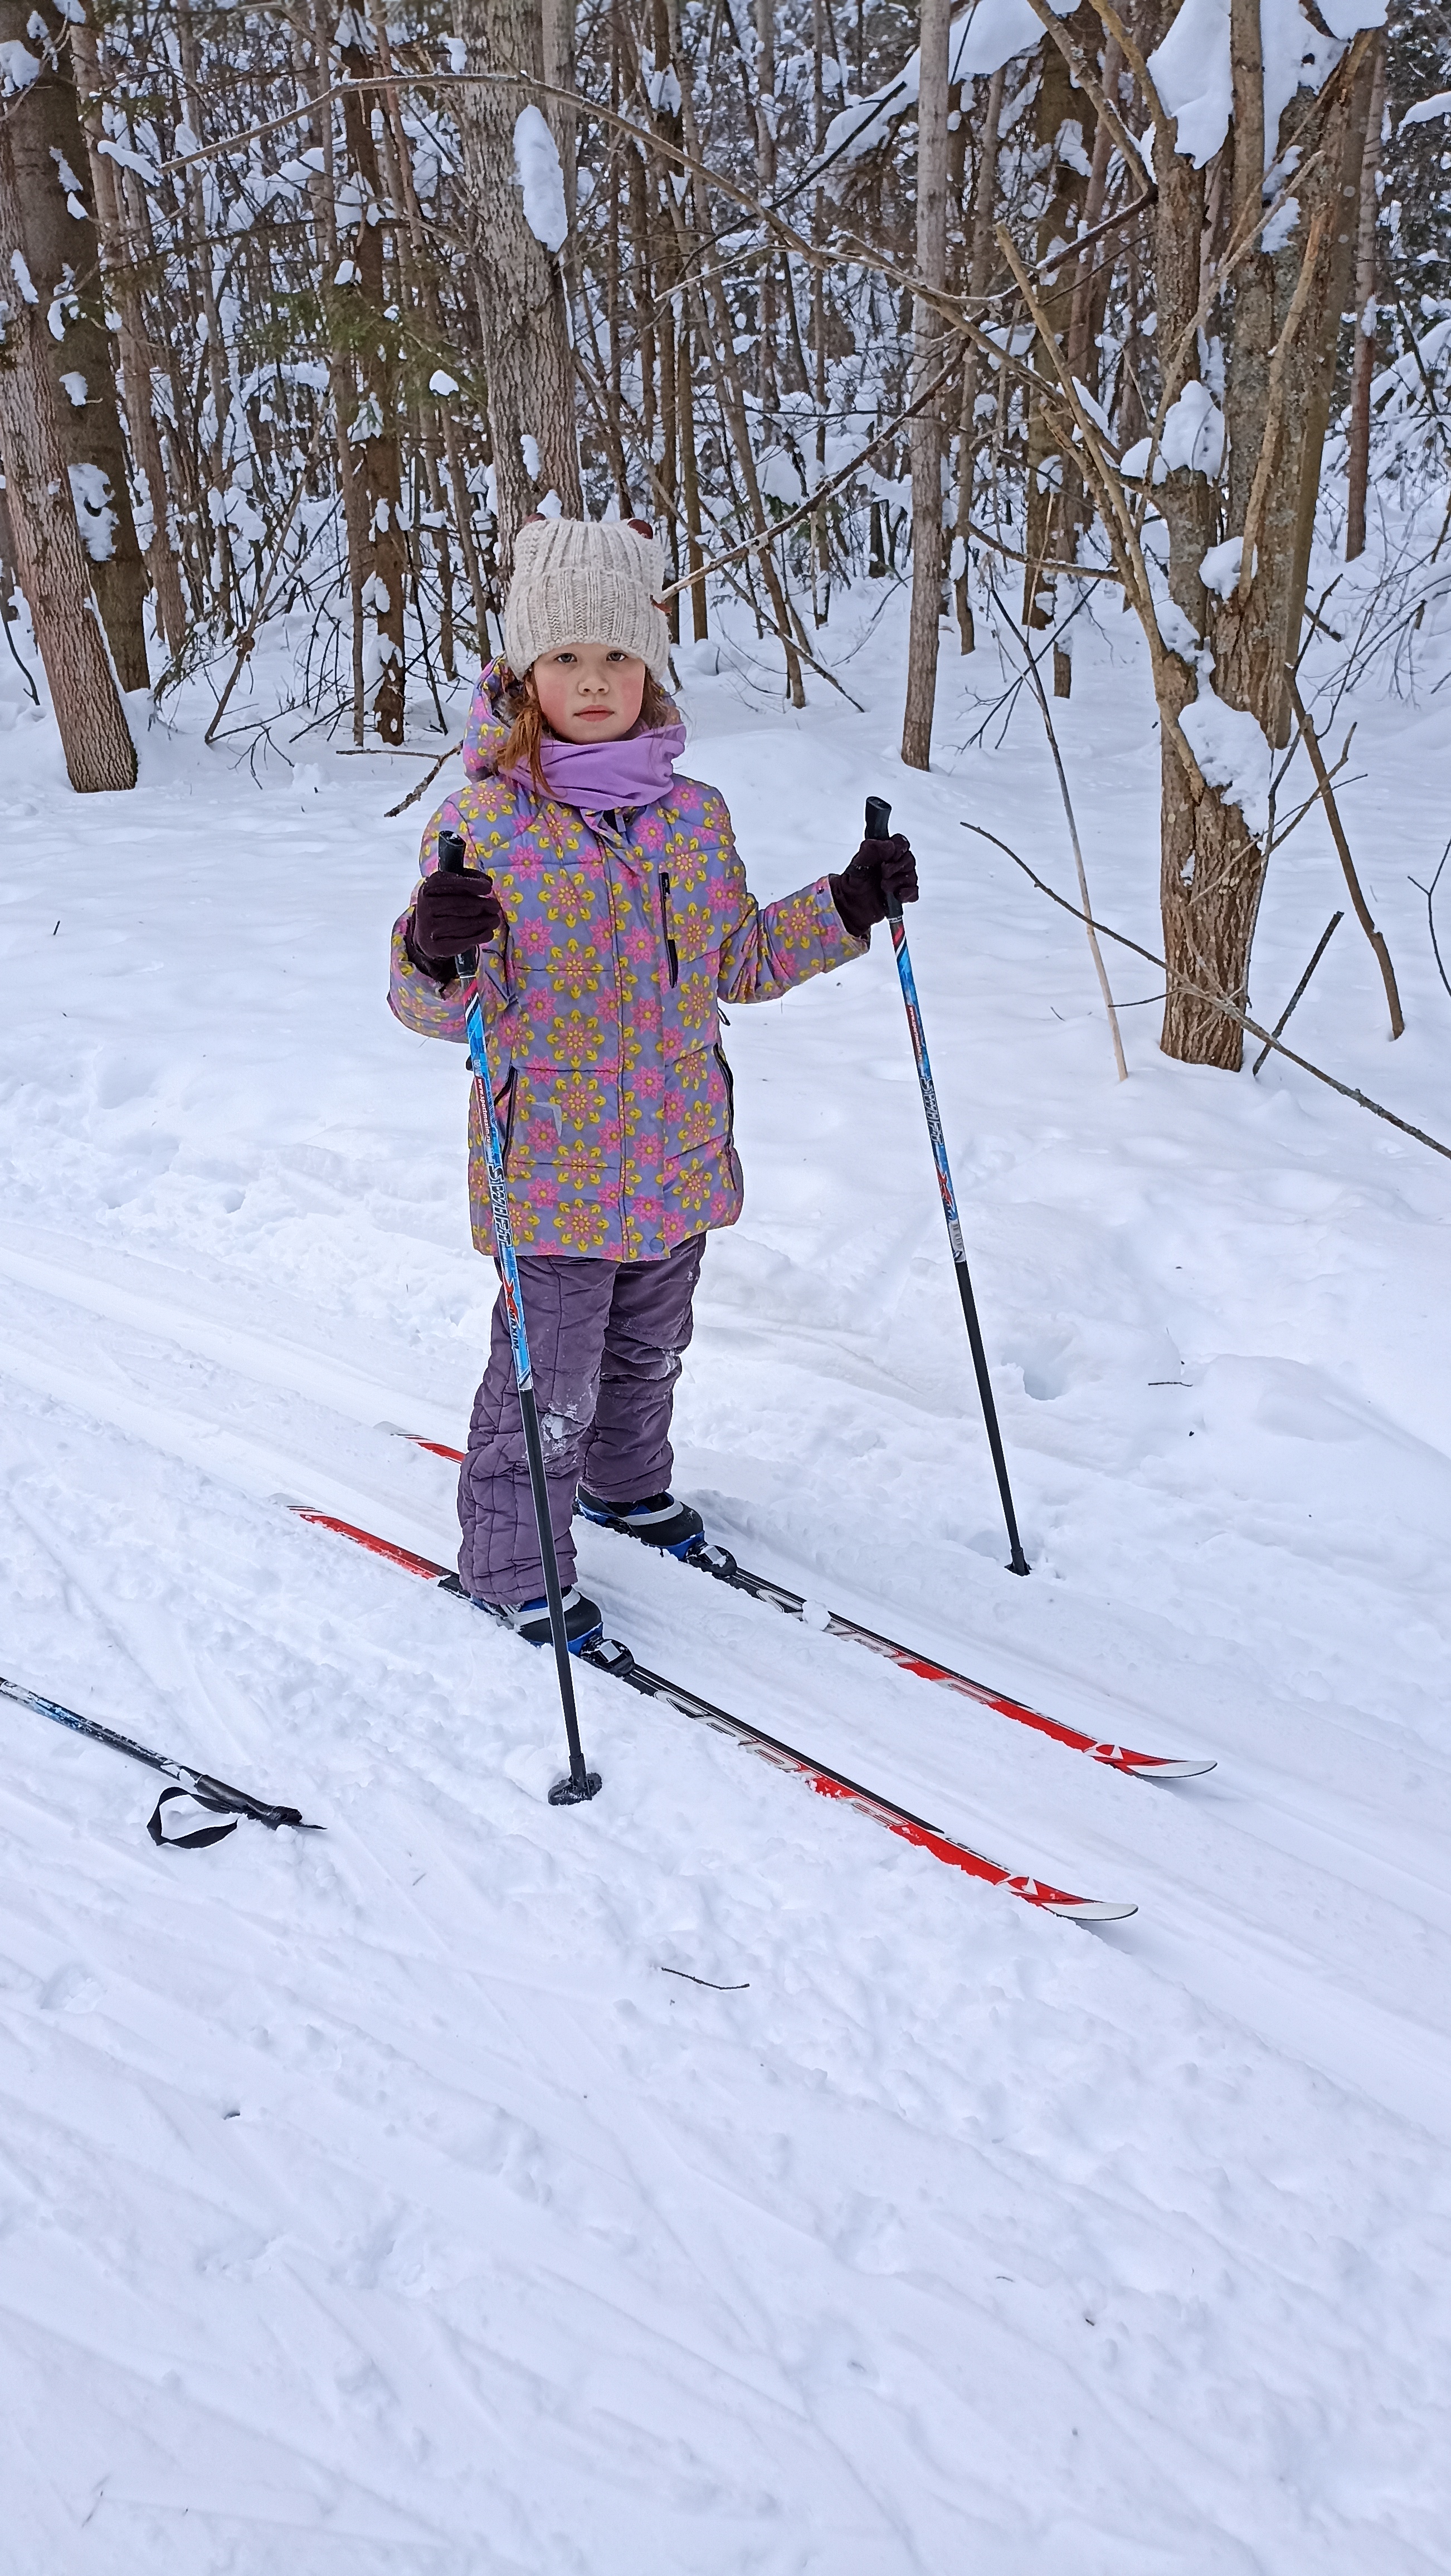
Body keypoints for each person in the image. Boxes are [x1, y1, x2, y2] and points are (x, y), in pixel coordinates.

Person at [389, 514, 917, 1650]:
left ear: (651, 670)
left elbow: (738, 961)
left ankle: (624, 1486)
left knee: (647, 1353)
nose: (594, 680)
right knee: (549, 1384)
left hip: (676, 1157)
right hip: (553, 1174)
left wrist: (846, 904)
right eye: (568, 656)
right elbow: (438, 1010)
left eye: (618, 655)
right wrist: (433, 947)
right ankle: (511, 1565)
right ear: (525, 672)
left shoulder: (694, 817)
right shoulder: (479, 824)